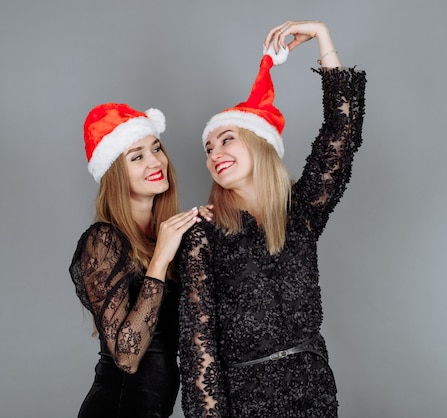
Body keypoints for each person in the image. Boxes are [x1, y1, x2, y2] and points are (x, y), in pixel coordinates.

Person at [177, 20, 367, 417]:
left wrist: (322, 35)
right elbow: (198, 347)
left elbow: (341, 133)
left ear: (258, 144)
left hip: (314, 394)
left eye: (227, 138)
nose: (214, 154)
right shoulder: (203, 235)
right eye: (208, 147)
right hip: (246, 401)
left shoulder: (300, 213)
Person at [69, 103, 211, 418]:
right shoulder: (103, 240)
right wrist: (160, 259)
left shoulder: (168, 238)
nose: (155, 161)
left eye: (156, 148)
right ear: (115, 174)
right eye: (137, 156)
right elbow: (127, 357)